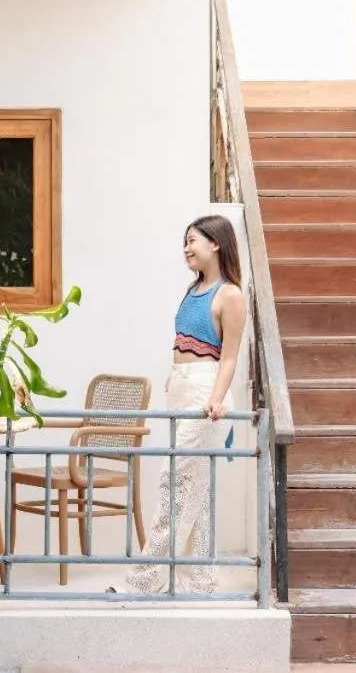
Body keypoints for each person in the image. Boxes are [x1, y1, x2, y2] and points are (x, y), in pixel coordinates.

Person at [110, 214, 247, 595]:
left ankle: (144, 579)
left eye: (193, 240)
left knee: (177, 486)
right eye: (184, 242)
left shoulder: (231, 294)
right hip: (181, 391)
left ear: (215, 243)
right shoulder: (193, 290)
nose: (186, 248)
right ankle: (200, 579)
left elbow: (230, 356)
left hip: (206, 396)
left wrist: (217, 400)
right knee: (194, 491)